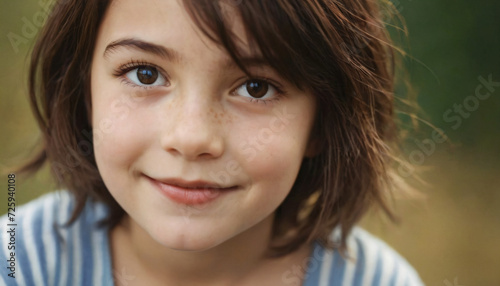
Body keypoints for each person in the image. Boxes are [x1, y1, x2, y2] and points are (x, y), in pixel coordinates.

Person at [0, 0, 424, 285]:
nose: (191, 138)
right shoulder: (20, 263)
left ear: (322, 122)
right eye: (145, 74)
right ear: (84, 92)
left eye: (256, 88)